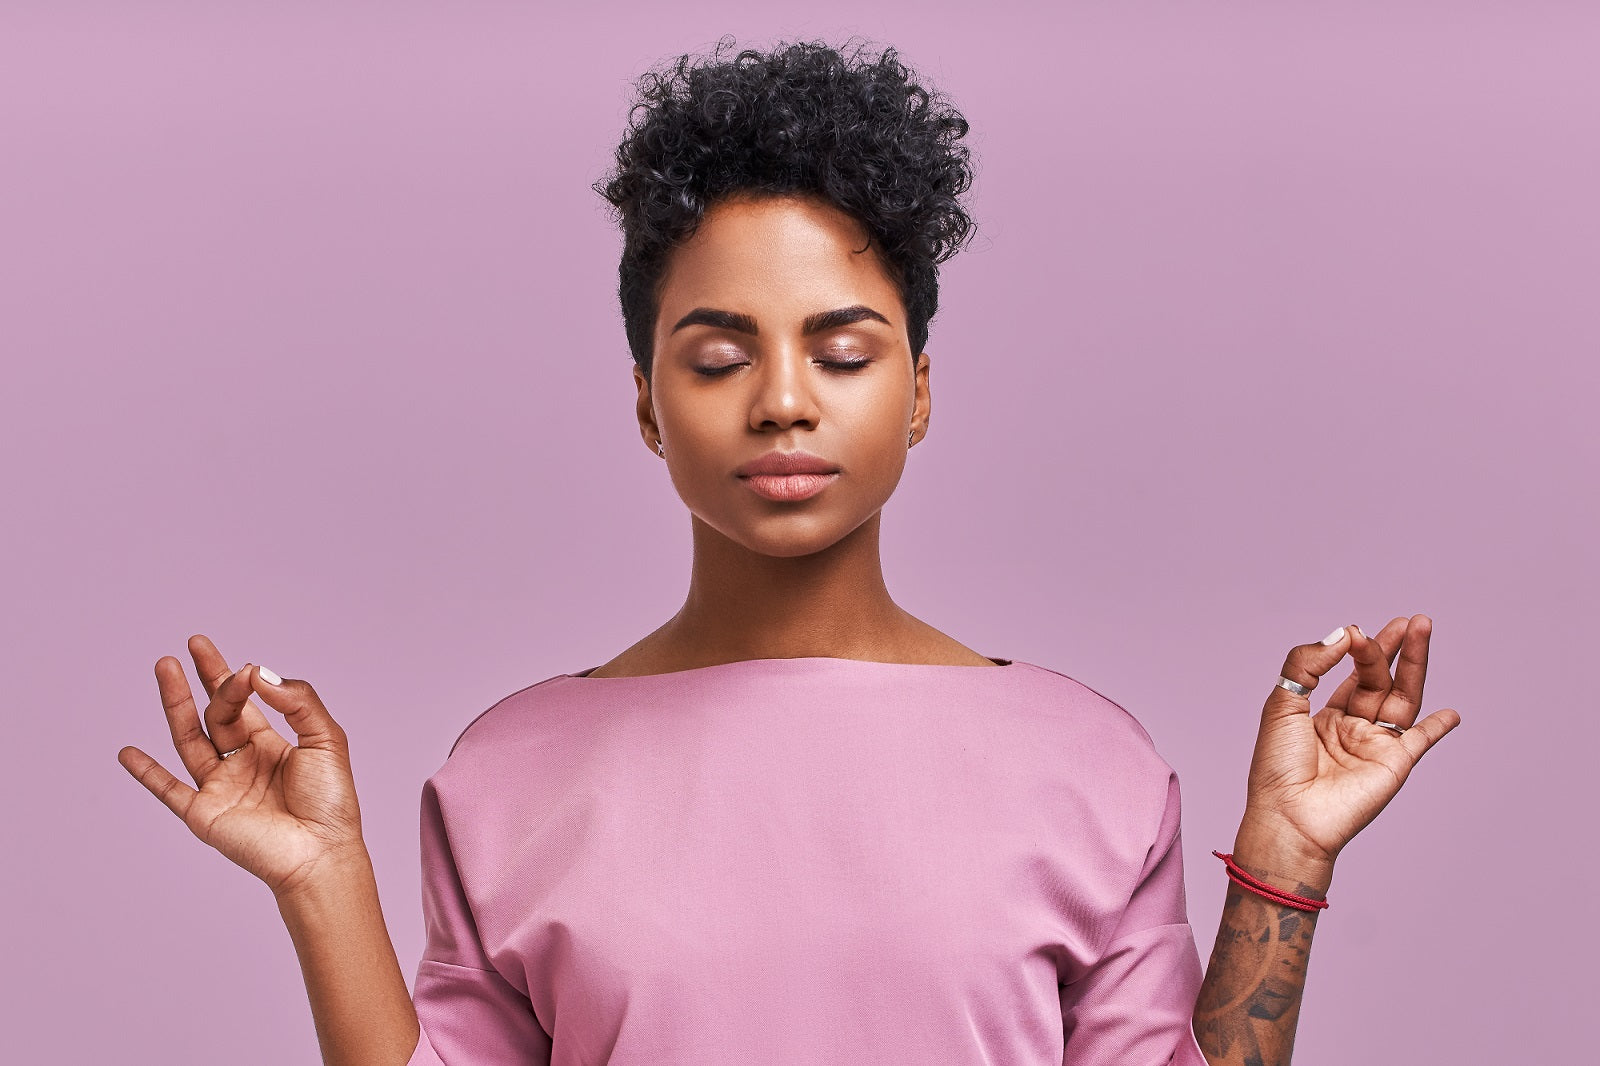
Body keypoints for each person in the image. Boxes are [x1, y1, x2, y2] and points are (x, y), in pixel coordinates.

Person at [116, 37, 1462, 1066]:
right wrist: (323, 879)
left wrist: (1286, 848)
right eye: (718, 355)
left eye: (841, 349)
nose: (783, 400)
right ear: (647, 401)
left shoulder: (1090, 763)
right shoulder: (505, 774)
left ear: (918, 389)